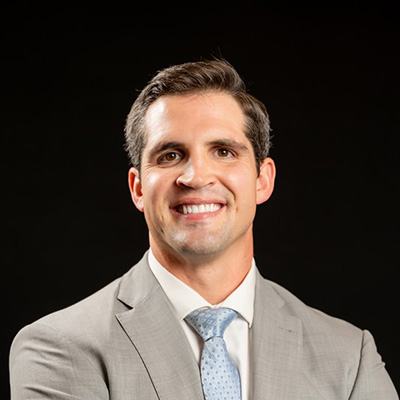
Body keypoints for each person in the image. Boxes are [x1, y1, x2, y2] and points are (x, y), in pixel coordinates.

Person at [9, 59, 398, 400]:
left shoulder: (350, 356)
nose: (196, 176)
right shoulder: (59, 348)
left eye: (224, 152)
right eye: (170, 155)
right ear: (138, 188)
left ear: (262, 180)